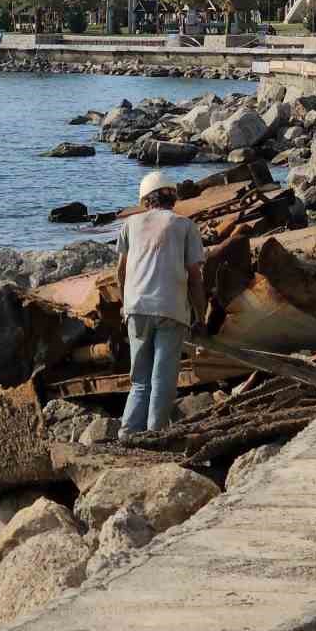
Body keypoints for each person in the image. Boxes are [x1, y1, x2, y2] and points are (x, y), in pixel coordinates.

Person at [116, 172, 207, 436]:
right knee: (162, 379)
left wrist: (125, 305)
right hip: (170, 309)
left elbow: (119, 272)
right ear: (173, 198)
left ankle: (128, 433)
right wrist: (201, 316)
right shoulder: (184, 225)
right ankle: (154, 434)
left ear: (145, 200)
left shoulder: (130, 224)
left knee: (139, 379)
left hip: (136, 308)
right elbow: (195, 277)